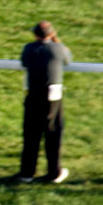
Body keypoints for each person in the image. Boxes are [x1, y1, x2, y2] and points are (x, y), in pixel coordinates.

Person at [16, 21, 71, 184]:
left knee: (31, 134)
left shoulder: (29, 48)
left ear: (36, 35)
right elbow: (67, 60)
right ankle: (54, 172)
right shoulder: (58, 48)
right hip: (52, 97)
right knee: (53, 134)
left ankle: (27, 173)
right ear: (51, 33)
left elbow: (24, 62)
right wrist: (57, 41)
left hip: (33, 94)